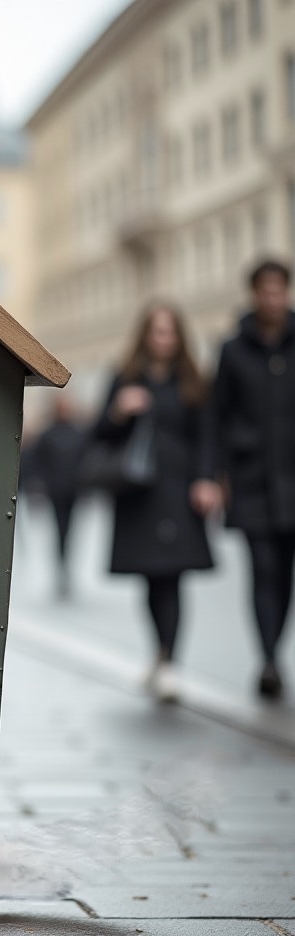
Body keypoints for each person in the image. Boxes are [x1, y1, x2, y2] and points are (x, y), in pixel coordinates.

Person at [93, 303, 221, 701]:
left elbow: (206, 436)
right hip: (138, 494)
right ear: (145, 335)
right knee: (151, 578)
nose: (162, 339)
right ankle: (161, 653)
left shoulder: (192, 381)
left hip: (179, 491)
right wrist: (119, 411)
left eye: (169, 332)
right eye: (156, 331)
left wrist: (206, 480)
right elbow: (99, 435)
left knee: (173, 577)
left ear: (179, 337)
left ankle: (169, 662)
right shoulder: (126, 378)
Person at [213, 258, 295, 700]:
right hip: (252, 482)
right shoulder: (233, 350)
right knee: (262, 569)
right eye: (265, 290)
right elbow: (216, 414)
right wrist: (214, 473)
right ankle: (268, 659)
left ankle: (273, 650)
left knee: (285, 574)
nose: (273, 298)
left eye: (279, 290)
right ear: (254, 294)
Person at [26, 394, 87, 599]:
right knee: (59, 532)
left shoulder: (79, 433)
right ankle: (60, 571)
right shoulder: (48, 434)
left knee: (70, 533)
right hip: (55, 491)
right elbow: (36, 463)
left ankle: (66, 569)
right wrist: (38, 485)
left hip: (73, 491)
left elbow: (87, 459)